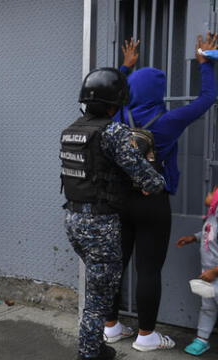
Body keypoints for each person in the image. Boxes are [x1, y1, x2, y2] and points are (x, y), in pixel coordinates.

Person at [104, 33, 218, 352]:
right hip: (152, 202)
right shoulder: (167, 121)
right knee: (149, 269)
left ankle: (110, 327)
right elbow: (207, 99)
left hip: (117, 201)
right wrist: (204, 64)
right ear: (160, 92)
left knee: (116, 264)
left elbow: (103, 95)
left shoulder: (115, 117)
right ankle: (145, 336)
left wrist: (124, 68)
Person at [61, 67, 165, 360]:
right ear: (115, 103)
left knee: (98, 287)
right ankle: (89, 353)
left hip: (73, 220)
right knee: (98, 297)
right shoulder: (113, 132)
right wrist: (157, 182)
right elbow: (146, 178)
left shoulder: (72, 129)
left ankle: (96, 347)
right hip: (100, 224)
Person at [177, 187, 218, 356]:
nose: (207, 195)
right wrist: (194, 238)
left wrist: (215, 271)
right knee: (207, 307)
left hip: (214, 273)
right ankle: (202, 339)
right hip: (208, 274)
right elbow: (209, 233)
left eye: (212, 193)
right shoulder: (212, 215)